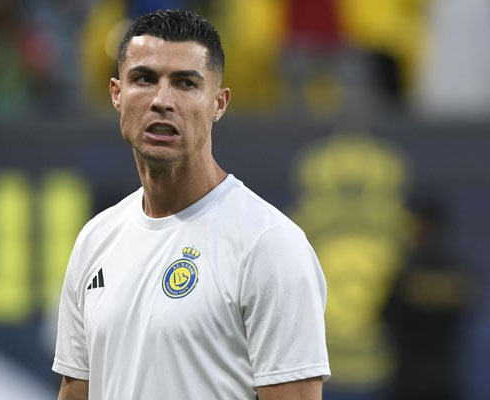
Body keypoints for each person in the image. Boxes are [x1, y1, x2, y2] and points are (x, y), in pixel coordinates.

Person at [51, 9, 330, 400]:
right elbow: (76, 390)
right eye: (144, 79)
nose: (162, 101)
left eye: (185, 83)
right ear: (116, 93)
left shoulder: (269, 245)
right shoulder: (96, 239)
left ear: (219, 103)